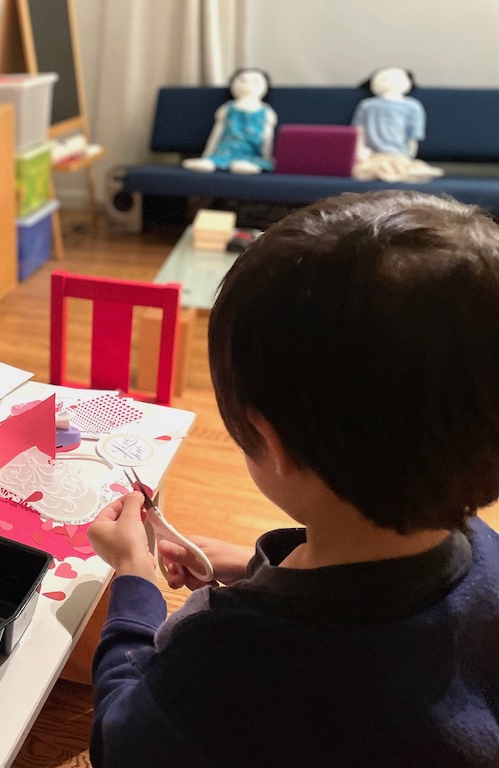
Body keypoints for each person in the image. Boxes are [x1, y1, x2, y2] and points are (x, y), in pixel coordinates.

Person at [88, 190, 499, 767]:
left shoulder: (226, 660)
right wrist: (255, 567)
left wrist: (135, 581)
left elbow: (118, 743)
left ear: (271, 441)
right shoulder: (485, 554)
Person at [182, 68, 276, 174]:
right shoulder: (227, 108)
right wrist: (207, 155)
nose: (248, 84)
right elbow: (217, 133)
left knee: (249, 165)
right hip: (225, 151)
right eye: (243, 80)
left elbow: (268, 138)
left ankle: (248, 165)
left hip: (252, 153)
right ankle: (208, 163)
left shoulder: (266, 112)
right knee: (211, 161)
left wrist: (267, 158)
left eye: (256, 81)